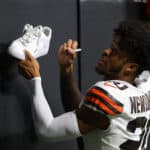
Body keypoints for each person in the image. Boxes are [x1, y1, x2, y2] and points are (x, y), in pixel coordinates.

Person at [18, 20, 150, 150]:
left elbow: (46, 130)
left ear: (131, 67)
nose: (106, 51)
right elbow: (81, 111)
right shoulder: (144, 88)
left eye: (115, 51)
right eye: (111, 46)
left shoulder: (110, 95)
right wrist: (66, 70)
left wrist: (34, 78)